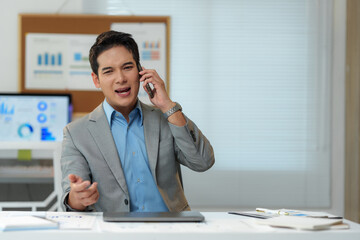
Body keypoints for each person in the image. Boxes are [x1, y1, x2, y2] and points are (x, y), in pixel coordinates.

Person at [60, 30, 215, 212]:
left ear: (140, 71)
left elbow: (203, 162)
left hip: (170, 229)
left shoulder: (165, 118)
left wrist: (167, 106)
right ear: (96, 80)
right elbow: (71, 198)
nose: (121, 79)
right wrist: (78, 198)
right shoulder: (76, 133)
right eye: (109, 71)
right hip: (113, 233)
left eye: (127, 67)